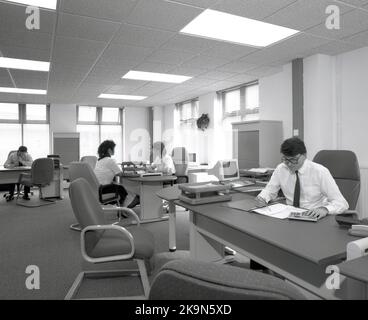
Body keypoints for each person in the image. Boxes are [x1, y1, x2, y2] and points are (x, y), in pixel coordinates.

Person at [255, 137, 349, 218]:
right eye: (285, 159)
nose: (289, 164)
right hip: (289, 216)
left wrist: (325, 209)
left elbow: (342, 203)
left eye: (293, 160)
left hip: (313, 216)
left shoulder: (320, 172)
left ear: (304, 155)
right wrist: (262, 198)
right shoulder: (281, 169)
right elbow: (269, 191)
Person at [94, 140, 128, 207]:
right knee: (122, 189)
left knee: (117, 186)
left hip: (97, 189)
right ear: (109, 150)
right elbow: (120, 174)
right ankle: (121, 210)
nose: (114, 150)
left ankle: (121, 208)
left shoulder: (99, 161)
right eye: (113, 149)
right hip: (103, 189)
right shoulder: (110, 160)